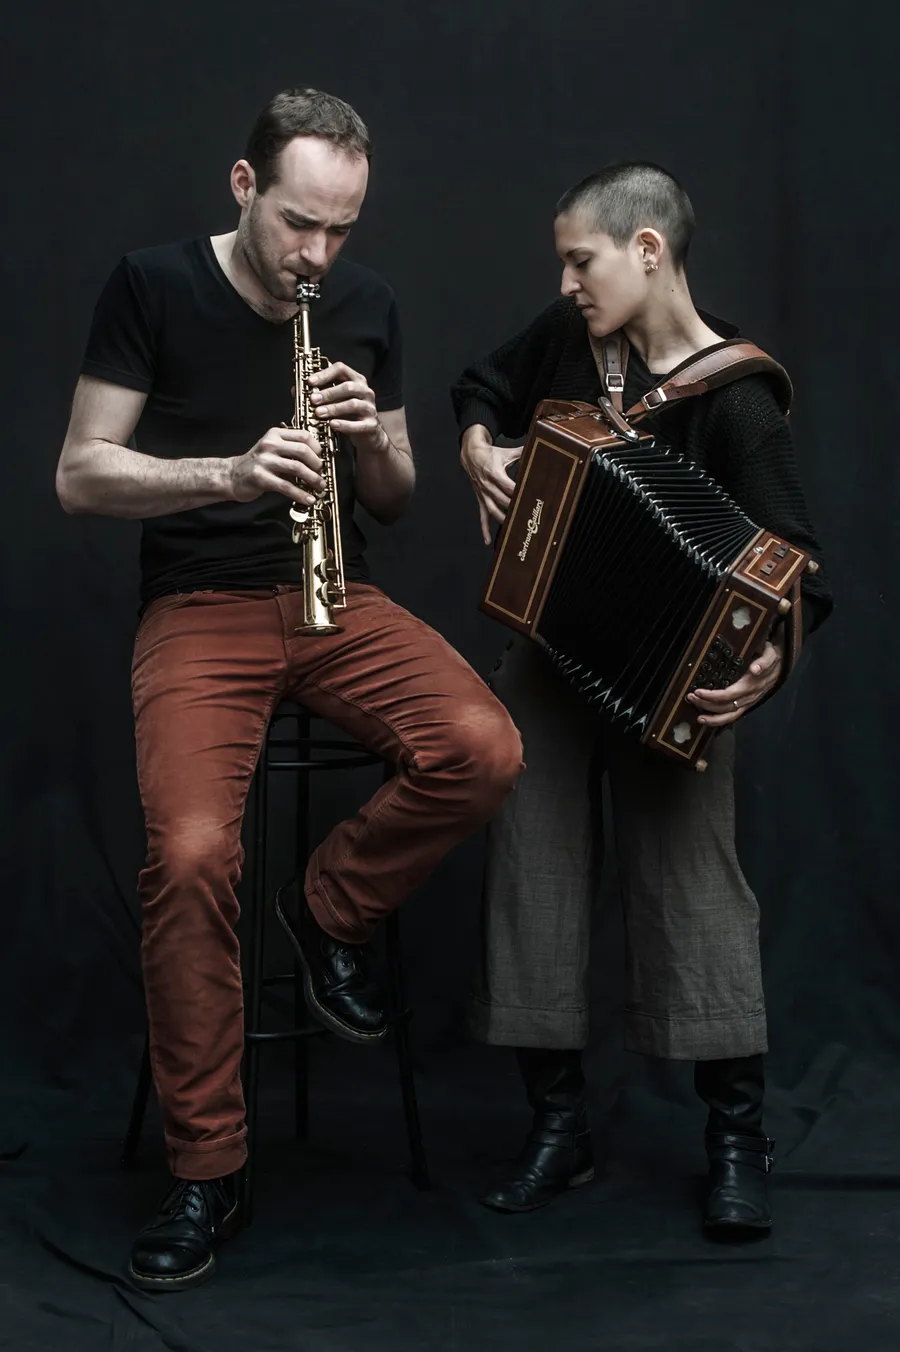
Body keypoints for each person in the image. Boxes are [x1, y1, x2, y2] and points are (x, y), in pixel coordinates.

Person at [56, 87, 523, 1291]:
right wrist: (228, 466)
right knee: (198, 849)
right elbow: (81, 475)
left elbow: (400, 495)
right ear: (242, 186)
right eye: (299, 224)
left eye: (342, 230)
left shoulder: (365, 306)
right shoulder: (151, 284)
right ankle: (209, 1164)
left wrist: (372, 438)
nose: (318, 255)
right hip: (202, 608)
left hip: (337, 603)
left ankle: (320, 912)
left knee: (482, 746)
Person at [452, 162, 832, 1236]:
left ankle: (734, 1136)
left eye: (582, 259)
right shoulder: (573, 339)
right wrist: (482, 449)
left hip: (672, 682)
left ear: (648, 250)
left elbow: (800, 559)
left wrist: (772, 655)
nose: (568, 280)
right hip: (550, 653)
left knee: (696, 887)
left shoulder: (740, 398)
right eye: (564, 263)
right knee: (532, 872)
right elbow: (482, 384)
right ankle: (559, 1126)